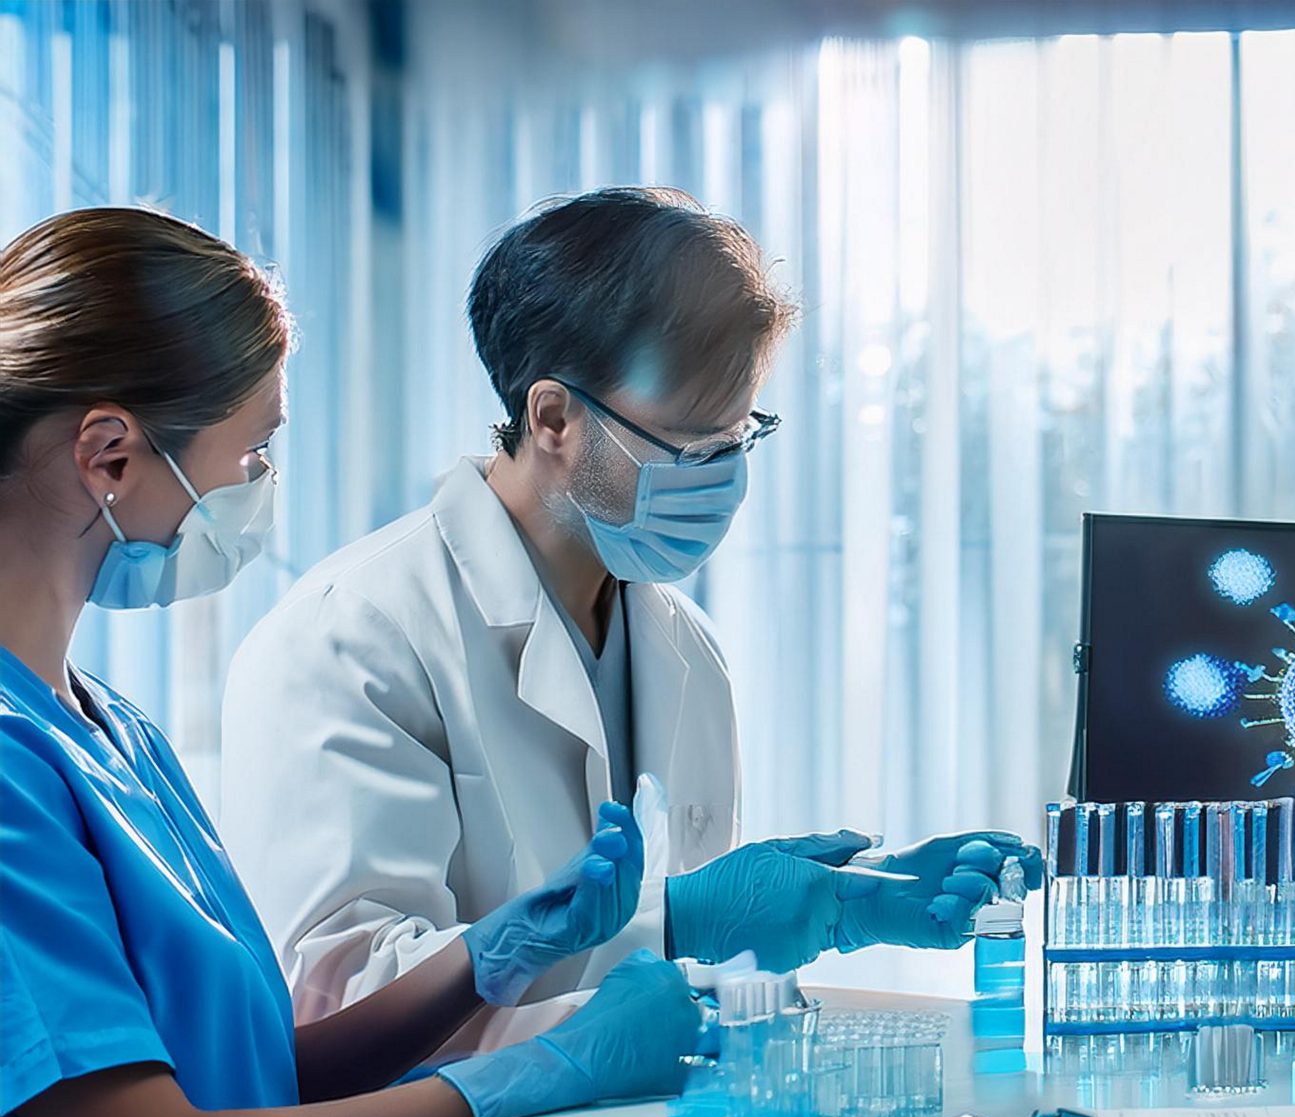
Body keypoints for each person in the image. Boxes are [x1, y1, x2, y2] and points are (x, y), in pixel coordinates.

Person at [0, 208, 700, 1117]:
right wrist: (522, 1077)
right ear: (109, 453)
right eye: (254, 451)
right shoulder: (11, 769)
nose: (260, 488)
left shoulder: (110, 726)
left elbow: (252, 1074)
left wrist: (480, 961)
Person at [222, 187, 1036, 1056]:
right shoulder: (355, 637)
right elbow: (339, 1007)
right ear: (553, 417)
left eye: (738, 439)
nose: (722, 477)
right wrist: (678, 921)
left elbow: (678, 996)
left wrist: (836, 906)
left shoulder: (684, 646)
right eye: (689, 444)